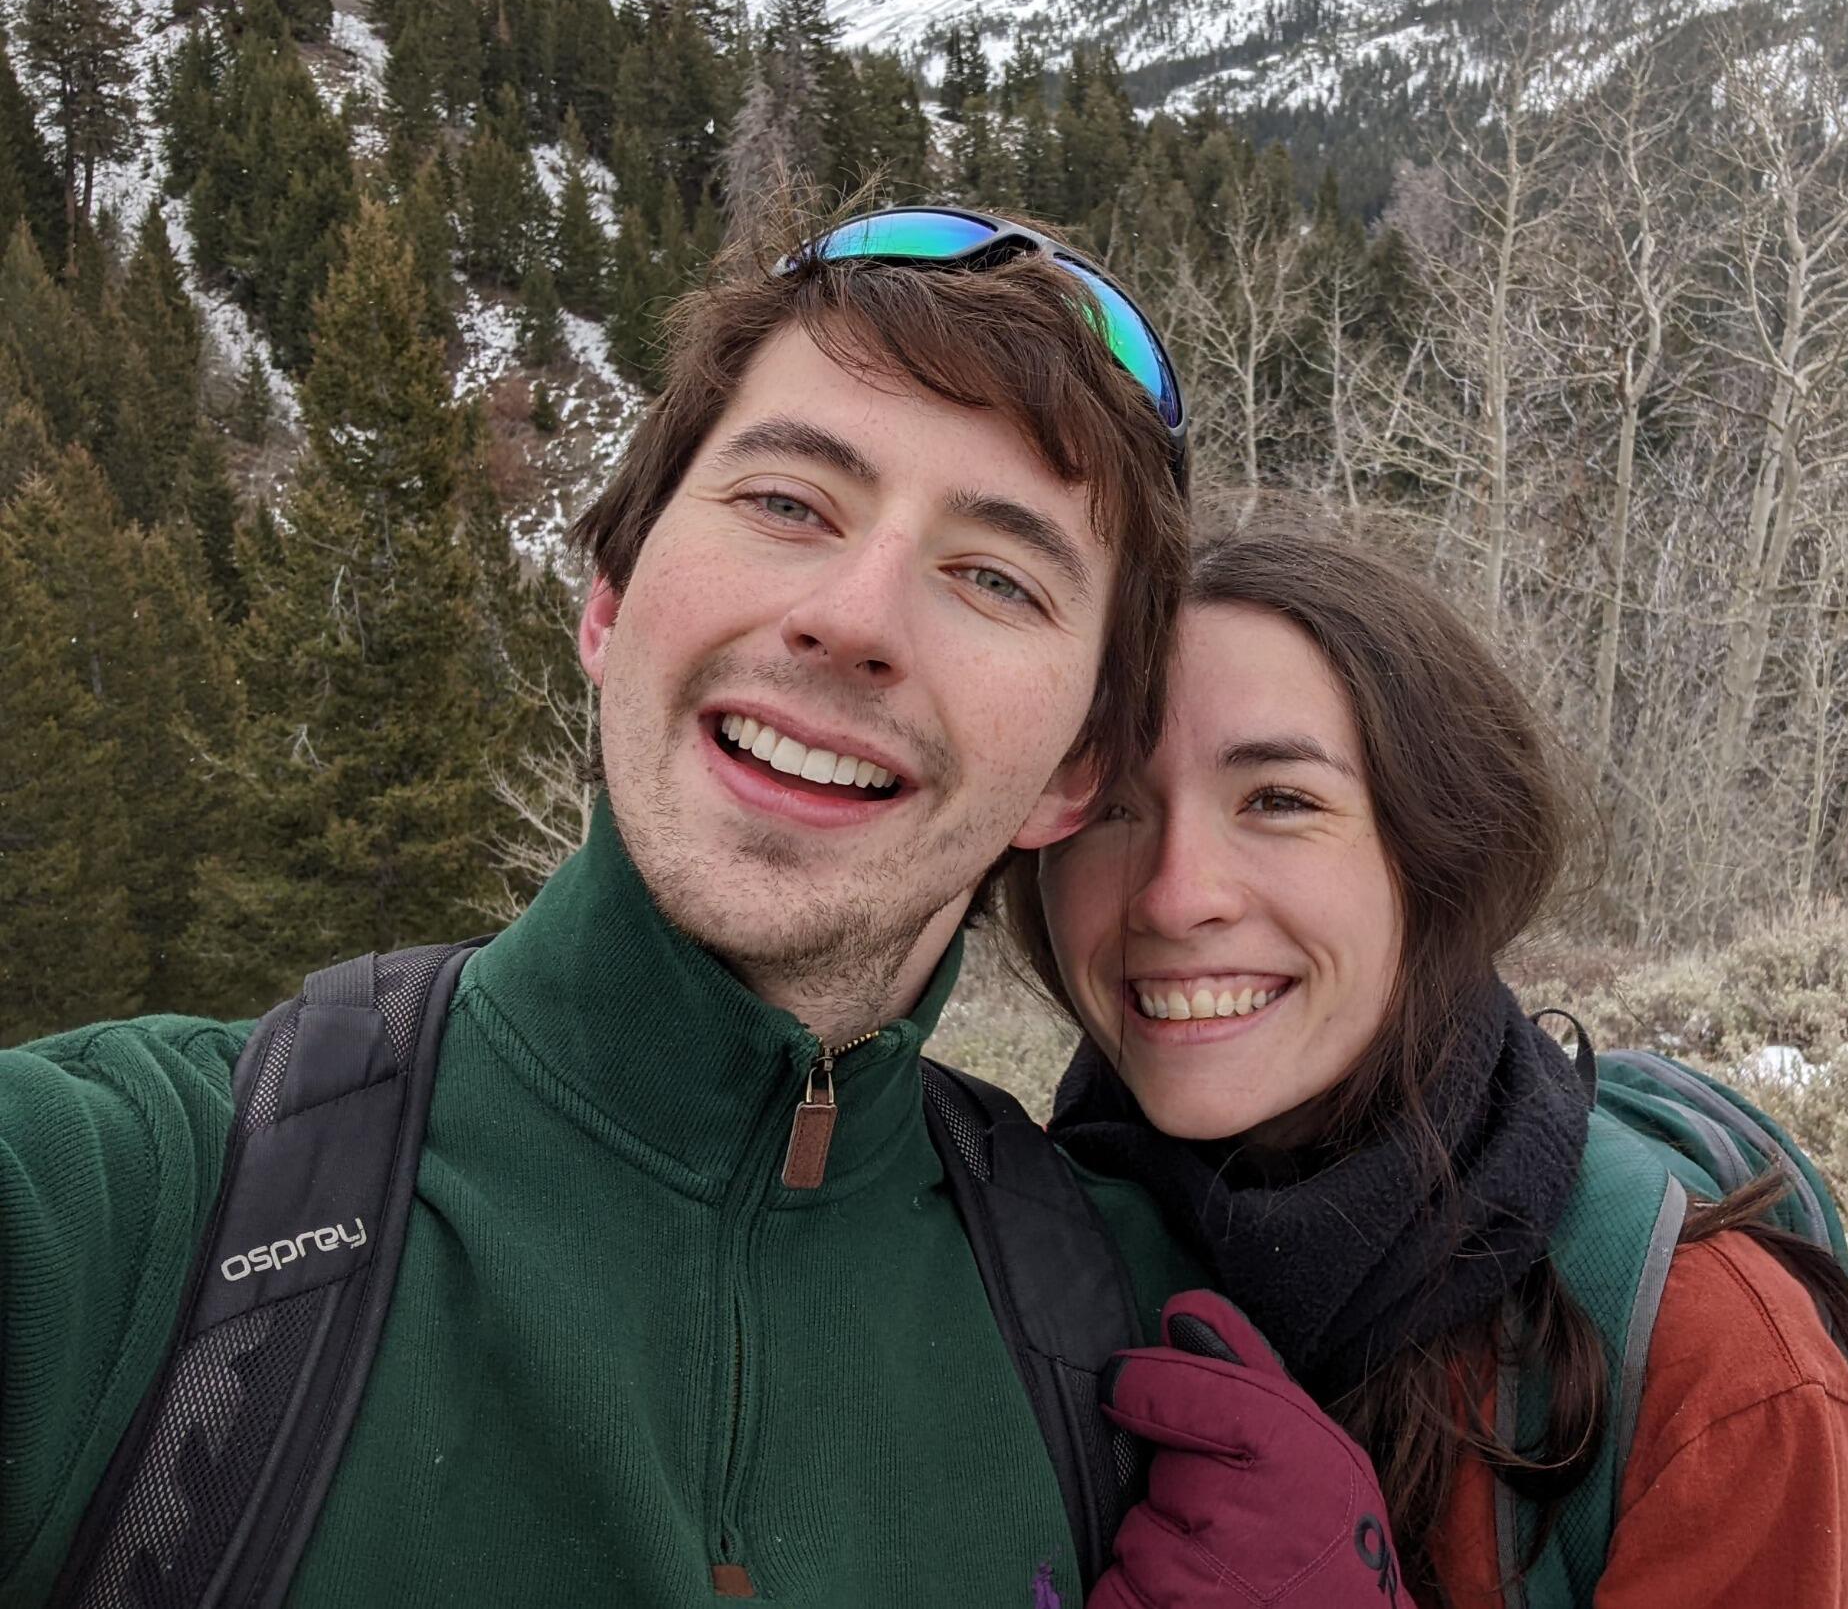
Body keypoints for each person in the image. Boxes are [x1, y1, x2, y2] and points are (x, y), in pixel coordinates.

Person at [0, 206, 1202, 1605]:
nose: (856, 616)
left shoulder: (1139, 1346)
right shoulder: (131, 1208)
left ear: (1076, 771)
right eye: (788, 503)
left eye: (996, 576)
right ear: (610, 600)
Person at [1011, 521, 1848, 1608]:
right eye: (1112, 806)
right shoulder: (995, 1232)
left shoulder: (1713, 1364)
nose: (1172, 895)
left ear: (1437, 854)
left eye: (1279, 800)